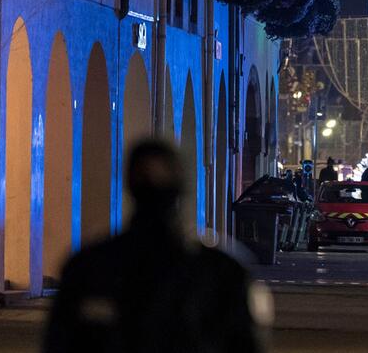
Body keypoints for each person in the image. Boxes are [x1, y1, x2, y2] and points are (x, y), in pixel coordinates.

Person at [44, 139, 268, 353]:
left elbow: (61, 341)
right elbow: (246, 342)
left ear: (128, 184)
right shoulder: (223, 268)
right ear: (183, 186)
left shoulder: (89, 265)